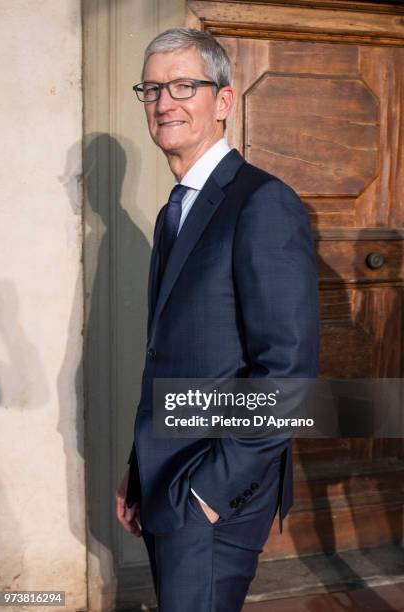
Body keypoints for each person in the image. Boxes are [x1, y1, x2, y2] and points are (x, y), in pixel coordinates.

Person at [116, 27, 320, 612]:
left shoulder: (262, 203)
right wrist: (139, 464)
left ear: (224, 101)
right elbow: (166, 357)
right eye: (152, 89)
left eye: (185, 85)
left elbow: (288, 372)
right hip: (166, 471)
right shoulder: (172, 212)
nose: (164, 103)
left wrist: (210, 490)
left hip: (213, 486)